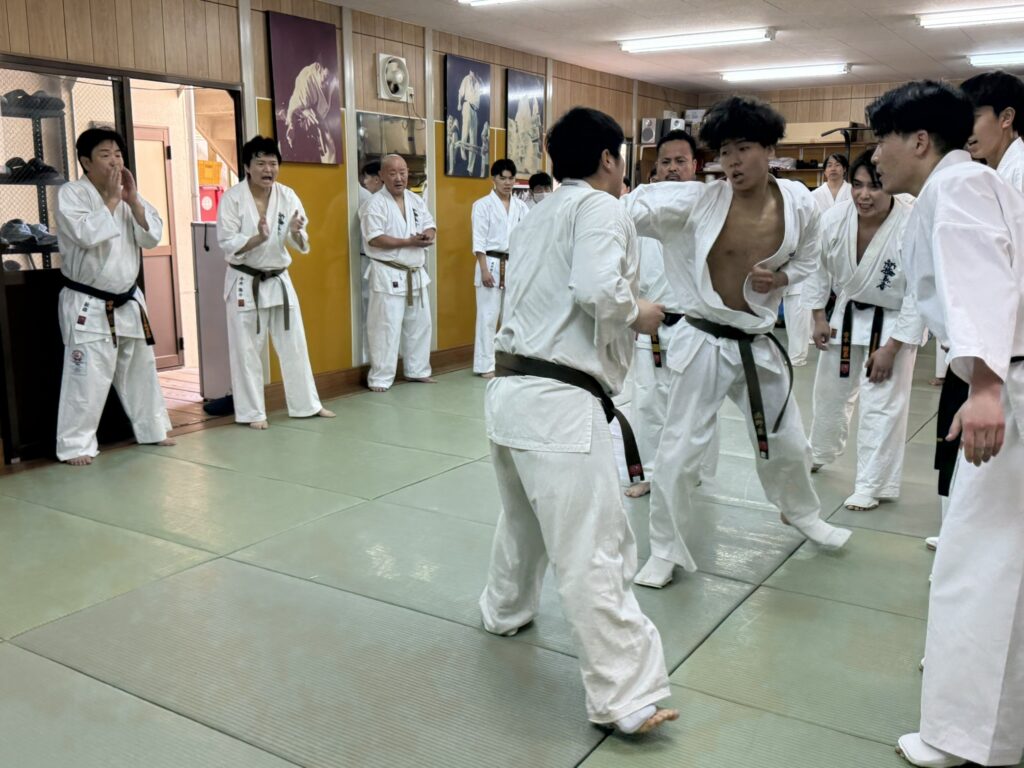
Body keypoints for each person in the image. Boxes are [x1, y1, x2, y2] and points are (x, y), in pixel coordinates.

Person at [479, 107, 677, 735]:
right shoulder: (601, 207)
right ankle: (625, 695)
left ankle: (504, 610)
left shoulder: (536, 213)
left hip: (509, 391)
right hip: (559, 403)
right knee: (595, 547)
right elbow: (596, 289)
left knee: (523, 522)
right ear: (610, 159)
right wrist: (640, 312)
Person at [622, 96, 851, 589]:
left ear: (770, 150)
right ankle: (664, 548)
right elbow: (628, 210)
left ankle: (803, 513)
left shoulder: (798, 202)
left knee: (788, 440)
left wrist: (783, 278)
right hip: (703, 339)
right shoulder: (697, 201)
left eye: (743, 148)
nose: (732, 161)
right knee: (679, 452)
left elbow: (810, 257)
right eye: (724, 151)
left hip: (756, 339)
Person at [868, 79, 1024, 768]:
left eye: (882, 140)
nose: (875, 155)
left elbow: (985, 281)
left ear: (920, 140)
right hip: (1005, 371)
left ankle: (960, 736)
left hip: (1007, 379)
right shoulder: (964, 185)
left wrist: (985, 387)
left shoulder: (958, 187)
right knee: (1000, 558)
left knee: (979, 560)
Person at [928, 71, 1024, 552]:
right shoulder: (995, 172)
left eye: (974, 116)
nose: (965, 129)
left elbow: (999, 278)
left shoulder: (1008, 175)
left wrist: (986, 383)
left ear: (1006, 118)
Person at [805, 150, 925, 511]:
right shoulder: (835, 219)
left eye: (874, 186)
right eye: (857, 185)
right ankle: (819, 451)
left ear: (890, 185)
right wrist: (818, 315)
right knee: (829, 393)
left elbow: (920, 291)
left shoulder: (911, 222)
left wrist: (893, 347)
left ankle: (873, 483)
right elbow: (816, 267)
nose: (864, 195)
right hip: (846, 315)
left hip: (892, 323)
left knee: (882, 405)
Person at [54, 128, 175, 465]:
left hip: (128, 300)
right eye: (105, 155)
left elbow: (151, 237)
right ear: (86, 162)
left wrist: (132, 201)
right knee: (86, 377)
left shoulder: (127, 195)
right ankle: (75, 445)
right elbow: (85, 235)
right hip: (89, 303)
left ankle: (152, 429)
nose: (114, 162)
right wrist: (110, 199)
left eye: (118, 155)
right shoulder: (71, 194)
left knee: (141, 370)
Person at [625, 129, 718, 499]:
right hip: (650, 320)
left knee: (695, 403)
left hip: (696, 323)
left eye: (681, 161)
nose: (673, 168)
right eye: (665, 162)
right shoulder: (639, 207)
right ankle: (649, 472)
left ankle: (690, 470)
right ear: (656, 167)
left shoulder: (711, 204)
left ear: (695, 165)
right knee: (648, 400)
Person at [216, 136, 333, 429]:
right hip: (246, 281)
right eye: (261, 163)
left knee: (294, 344)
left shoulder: (288, 196)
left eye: (273, 163)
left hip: (279, 279)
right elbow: (226, 242)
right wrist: (257, 238)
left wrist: (295, 231)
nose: (268, 169)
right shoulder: (232, 199)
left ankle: (306, 404)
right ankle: (252, 413)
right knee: (246, 350)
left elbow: (300, 242)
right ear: (247, 167)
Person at [361, 154, 436, 392]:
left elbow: (430, 225)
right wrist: (408, 242)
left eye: (402, 172)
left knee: (420, 325)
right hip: (388, 274)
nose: (399, 178)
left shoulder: (415, 200)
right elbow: (375, 239)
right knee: (385, 328)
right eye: (392, 173)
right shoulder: (374, 204)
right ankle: (380, 378)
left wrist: (428, 235)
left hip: (415, 273)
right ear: (381, 176)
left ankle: (418, 370)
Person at [471, 159, 530, 377]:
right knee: (487, 317)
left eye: (511, 178)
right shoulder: (482, 205)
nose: (507, 183)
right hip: (490, 262)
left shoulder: (521, 207)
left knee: (511, 317)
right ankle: (484, 365)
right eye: (502, 178)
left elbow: (526, 240)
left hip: (513, 263)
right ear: (493, 179)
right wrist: (484, 269)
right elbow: (479, 240)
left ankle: (506, 362)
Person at [357, 161, 384, 363]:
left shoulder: (366, 198)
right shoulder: (368, 198)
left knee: (372, 314)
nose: (364, 182)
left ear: (376, 179)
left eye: (366, 178)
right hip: (368, 259)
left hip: (374, 259)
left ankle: (371, 358)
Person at [457, 69, 482, 175]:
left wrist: (476, 80)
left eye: (473, 73)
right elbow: (460, 92)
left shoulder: (478, 83)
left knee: (473, 139)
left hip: (475, 110)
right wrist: (459, 103)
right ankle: (462, 149)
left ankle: (470, 168)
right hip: (467, 105)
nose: (472, 74)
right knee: (465, 130)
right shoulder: (466, 79)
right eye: (471, 72)